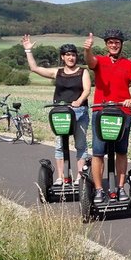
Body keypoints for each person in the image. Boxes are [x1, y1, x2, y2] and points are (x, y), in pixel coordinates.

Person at [22, 35, 91, 185]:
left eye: (73, 55)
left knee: (80, 145)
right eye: (68, 55)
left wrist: (79, 101)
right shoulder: (57, 72)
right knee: (60, 145)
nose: (71, 57)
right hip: (61, 113)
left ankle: (80, 178)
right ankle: (61, 177)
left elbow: (87, 90)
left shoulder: (83, 72)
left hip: (79, 112)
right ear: (62, 57)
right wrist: (28, 50)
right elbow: (34, 68)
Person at [84, 29, 131, 203]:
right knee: (98, 152)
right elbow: (90, 61)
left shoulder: (129, 65)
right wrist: (87, 50)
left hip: (122, 112)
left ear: (121, 45)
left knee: (121, 152)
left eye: (117, 42)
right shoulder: (100, 61)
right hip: (101, 112)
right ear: (106, 45)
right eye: (110, 42)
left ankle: (120, 187)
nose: (114, 45)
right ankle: (99, 189)